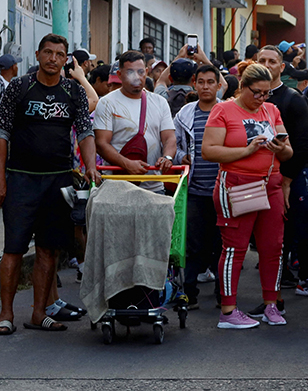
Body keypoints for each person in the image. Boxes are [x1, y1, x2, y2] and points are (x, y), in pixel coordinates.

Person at [0, 34, 100, 335]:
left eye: (59, 54)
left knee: (47, 250)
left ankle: (39, 313)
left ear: (66, 59)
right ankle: (5, 315)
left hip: (57, 181)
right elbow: (2, 134)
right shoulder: (19, 87)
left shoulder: (73, 91)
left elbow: (85, 131)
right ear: (38, 54)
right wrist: (1, 178)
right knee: (14, 249)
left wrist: (92, 167)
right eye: (47, 52)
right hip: (20, 179)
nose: (53, 58)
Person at [202, 64, 293, 329]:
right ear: (242, 87)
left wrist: (280, 147)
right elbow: (208, 151)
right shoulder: (223, 110)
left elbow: (289, 153)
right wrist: (246, 150)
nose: (262, 98)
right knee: (235, 247)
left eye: (267, 93)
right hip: (238, 184)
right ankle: (228, 310)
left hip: (270, 183)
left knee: (273, 247)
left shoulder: (271, 110)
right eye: (257, 93)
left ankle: (271, 304)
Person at [256, 45, 308, 320]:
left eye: (272, 61)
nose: (267, 65)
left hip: (296, 175)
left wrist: (288, 180)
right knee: (272, 241)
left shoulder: (293, 100)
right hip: (263, 178)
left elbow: (305, 147)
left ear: (282, 67)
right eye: (262, 61)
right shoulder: (249, 101)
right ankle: (273, 300)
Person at [173, 64, 223, 309]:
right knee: (192, 244)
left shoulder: (228, 111)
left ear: (218, 84)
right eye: (201, 82)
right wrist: (181, 155)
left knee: (221, 245)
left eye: (210, 82)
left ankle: (223, 295)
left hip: (223, 191)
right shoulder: (184, 114)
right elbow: (173, 145)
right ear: (194, 83)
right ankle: (188, 293)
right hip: (194, 190)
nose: (205, 86)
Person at [94, 51, 176, 192]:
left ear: (146, 72)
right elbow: (101, 144)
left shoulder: (160, 102)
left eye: (140, 72)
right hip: (117, 185)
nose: (136, 77)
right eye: (130, 72)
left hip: (153, 185)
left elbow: (169, 138)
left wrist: (167, 157)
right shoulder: (107, 103)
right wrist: (127, 164)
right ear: (119, 75)